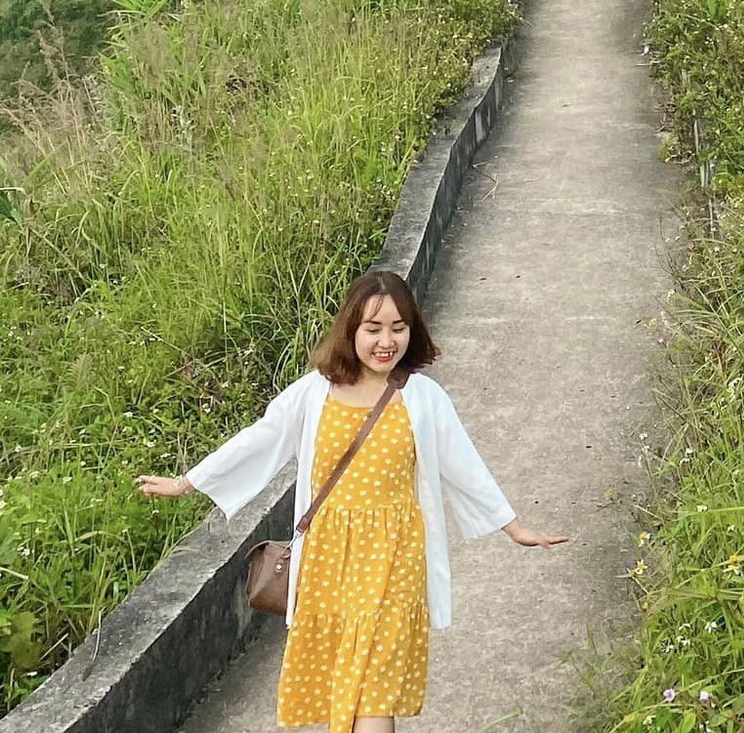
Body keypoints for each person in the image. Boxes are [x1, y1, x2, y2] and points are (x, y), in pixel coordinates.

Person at [138, 267, 567, 732]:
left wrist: (513, 526)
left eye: (399, 328)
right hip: (328, 560)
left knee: (375, 689)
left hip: (396, 559)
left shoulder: (423, 398)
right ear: (351, 330)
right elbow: (260, 440)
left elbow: (465, 466)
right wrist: (189, 481)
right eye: (373, 328)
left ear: (412, 332)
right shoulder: (314, 393)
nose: (387, 341)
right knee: (346, 686)